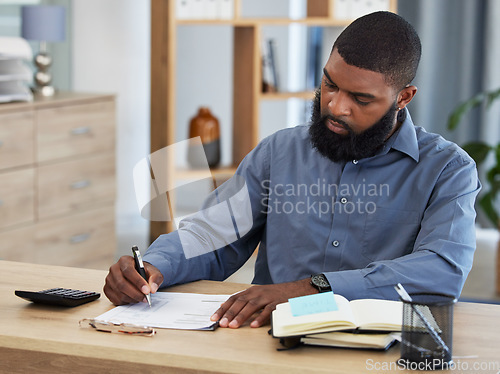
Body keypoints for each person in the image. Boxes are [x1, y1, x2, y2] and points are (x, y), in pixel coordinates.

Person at [104, 11, 480, 329]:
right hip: (265, 340)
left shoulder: (448, 170)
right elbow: (214, 234)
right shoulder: (279, 151)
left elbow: (441, 271)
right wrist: (153, 266)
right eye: (329, 83)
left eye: (360, 98)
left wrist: (311, 288)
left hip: (376, 348)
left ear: (403, 97)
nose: (335, 106)